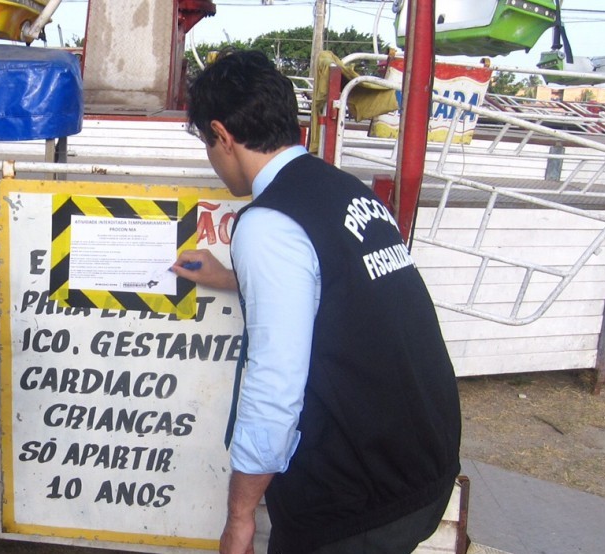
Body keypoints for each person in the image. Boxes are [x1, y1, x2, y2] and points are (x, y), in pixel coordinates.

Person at [173, 50, 462, 554]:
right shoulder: (348, 192)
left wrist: (239, 516)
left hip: (357, 502)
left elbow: (275, 385)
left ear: (222, 135)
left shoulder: (267, 222)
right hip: (423, 468)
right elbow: (339, 292)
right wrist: (229, 276)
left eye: (206, 144)